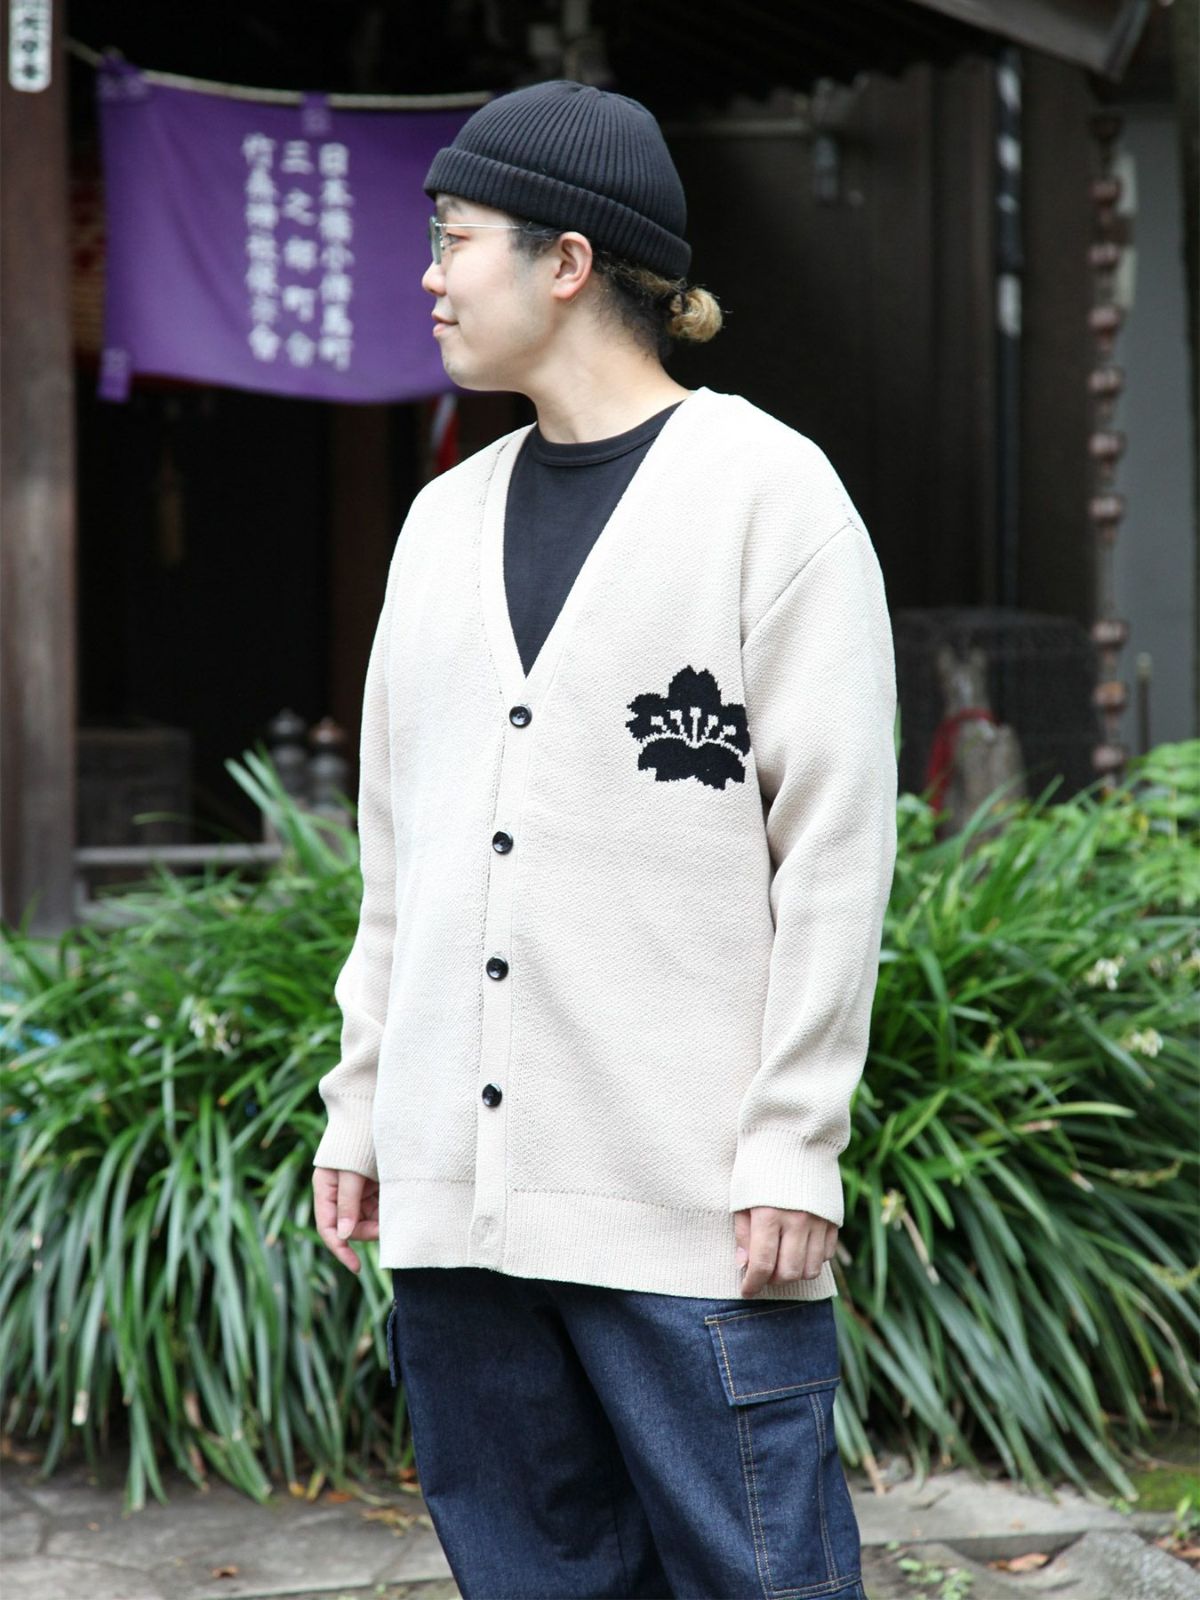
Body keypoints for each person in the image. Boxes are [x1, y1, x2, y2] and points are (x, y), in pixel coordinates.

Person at [311, 77, 896, 1600]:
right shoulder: (441, 525)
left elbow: (835, 856)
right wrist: (361, 1113)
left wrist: (797, 1143)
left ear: (566, 262)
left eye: (455, 239)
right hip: (458, 1218)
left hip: (693, 1215)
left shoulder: (771, 498)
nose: (430, 276)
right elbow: (398, 864)